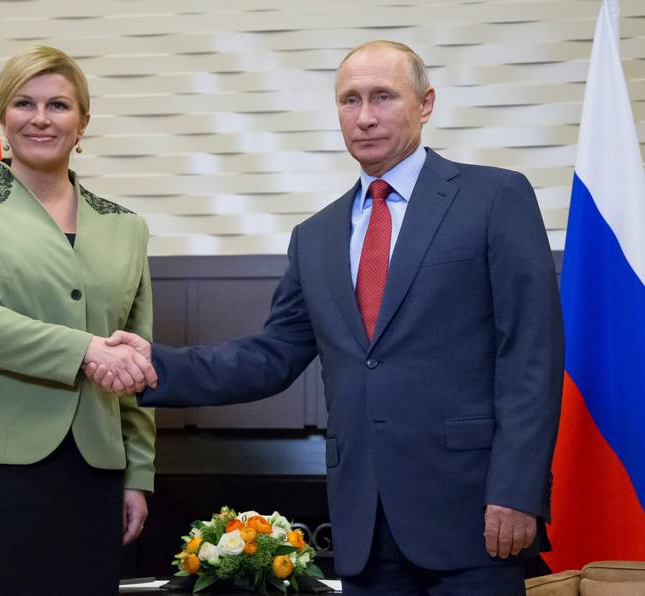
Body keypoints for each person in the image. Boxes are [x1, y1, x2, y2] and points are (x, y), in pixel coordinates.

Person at [87, 40, 563, 595]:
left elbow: (532, 355)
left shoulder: (494, 196)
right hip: (363, 524)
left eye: (383, 97)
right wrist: (154, 367)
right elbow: (271, 357)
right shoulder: (315, 237)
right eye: (349, 100)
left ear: (426, 103)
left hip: (474, 515)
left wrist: (517, 490)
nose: (364, 117)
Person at [0, 45, 157, 595]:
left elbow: (137, 357)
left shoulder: (128, 228)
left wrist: (138, 474)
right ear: (4, 117)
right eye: (24, 103)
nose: (41, 118)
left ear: (83, 122)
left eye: (59, 105)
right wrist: (86, 350)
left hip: (93, 473)